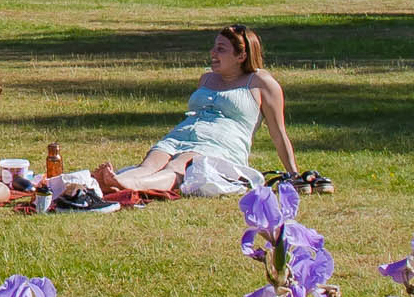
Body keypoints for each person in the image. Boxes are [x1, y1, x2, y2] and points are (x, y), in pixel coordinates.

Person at [110, 24, 296, 197]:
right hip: (180, 136)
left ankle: (129, 186)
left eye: (221, 49)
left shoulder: (261, 83)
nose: (213, 53)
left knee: (178, 167)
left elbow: (278, 134)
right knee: (148, 165)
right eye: (214, 47)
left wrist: (293, 174)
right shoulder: (207, 79)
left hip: (220, 144)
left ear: (241, 56)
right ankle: (113, 183)